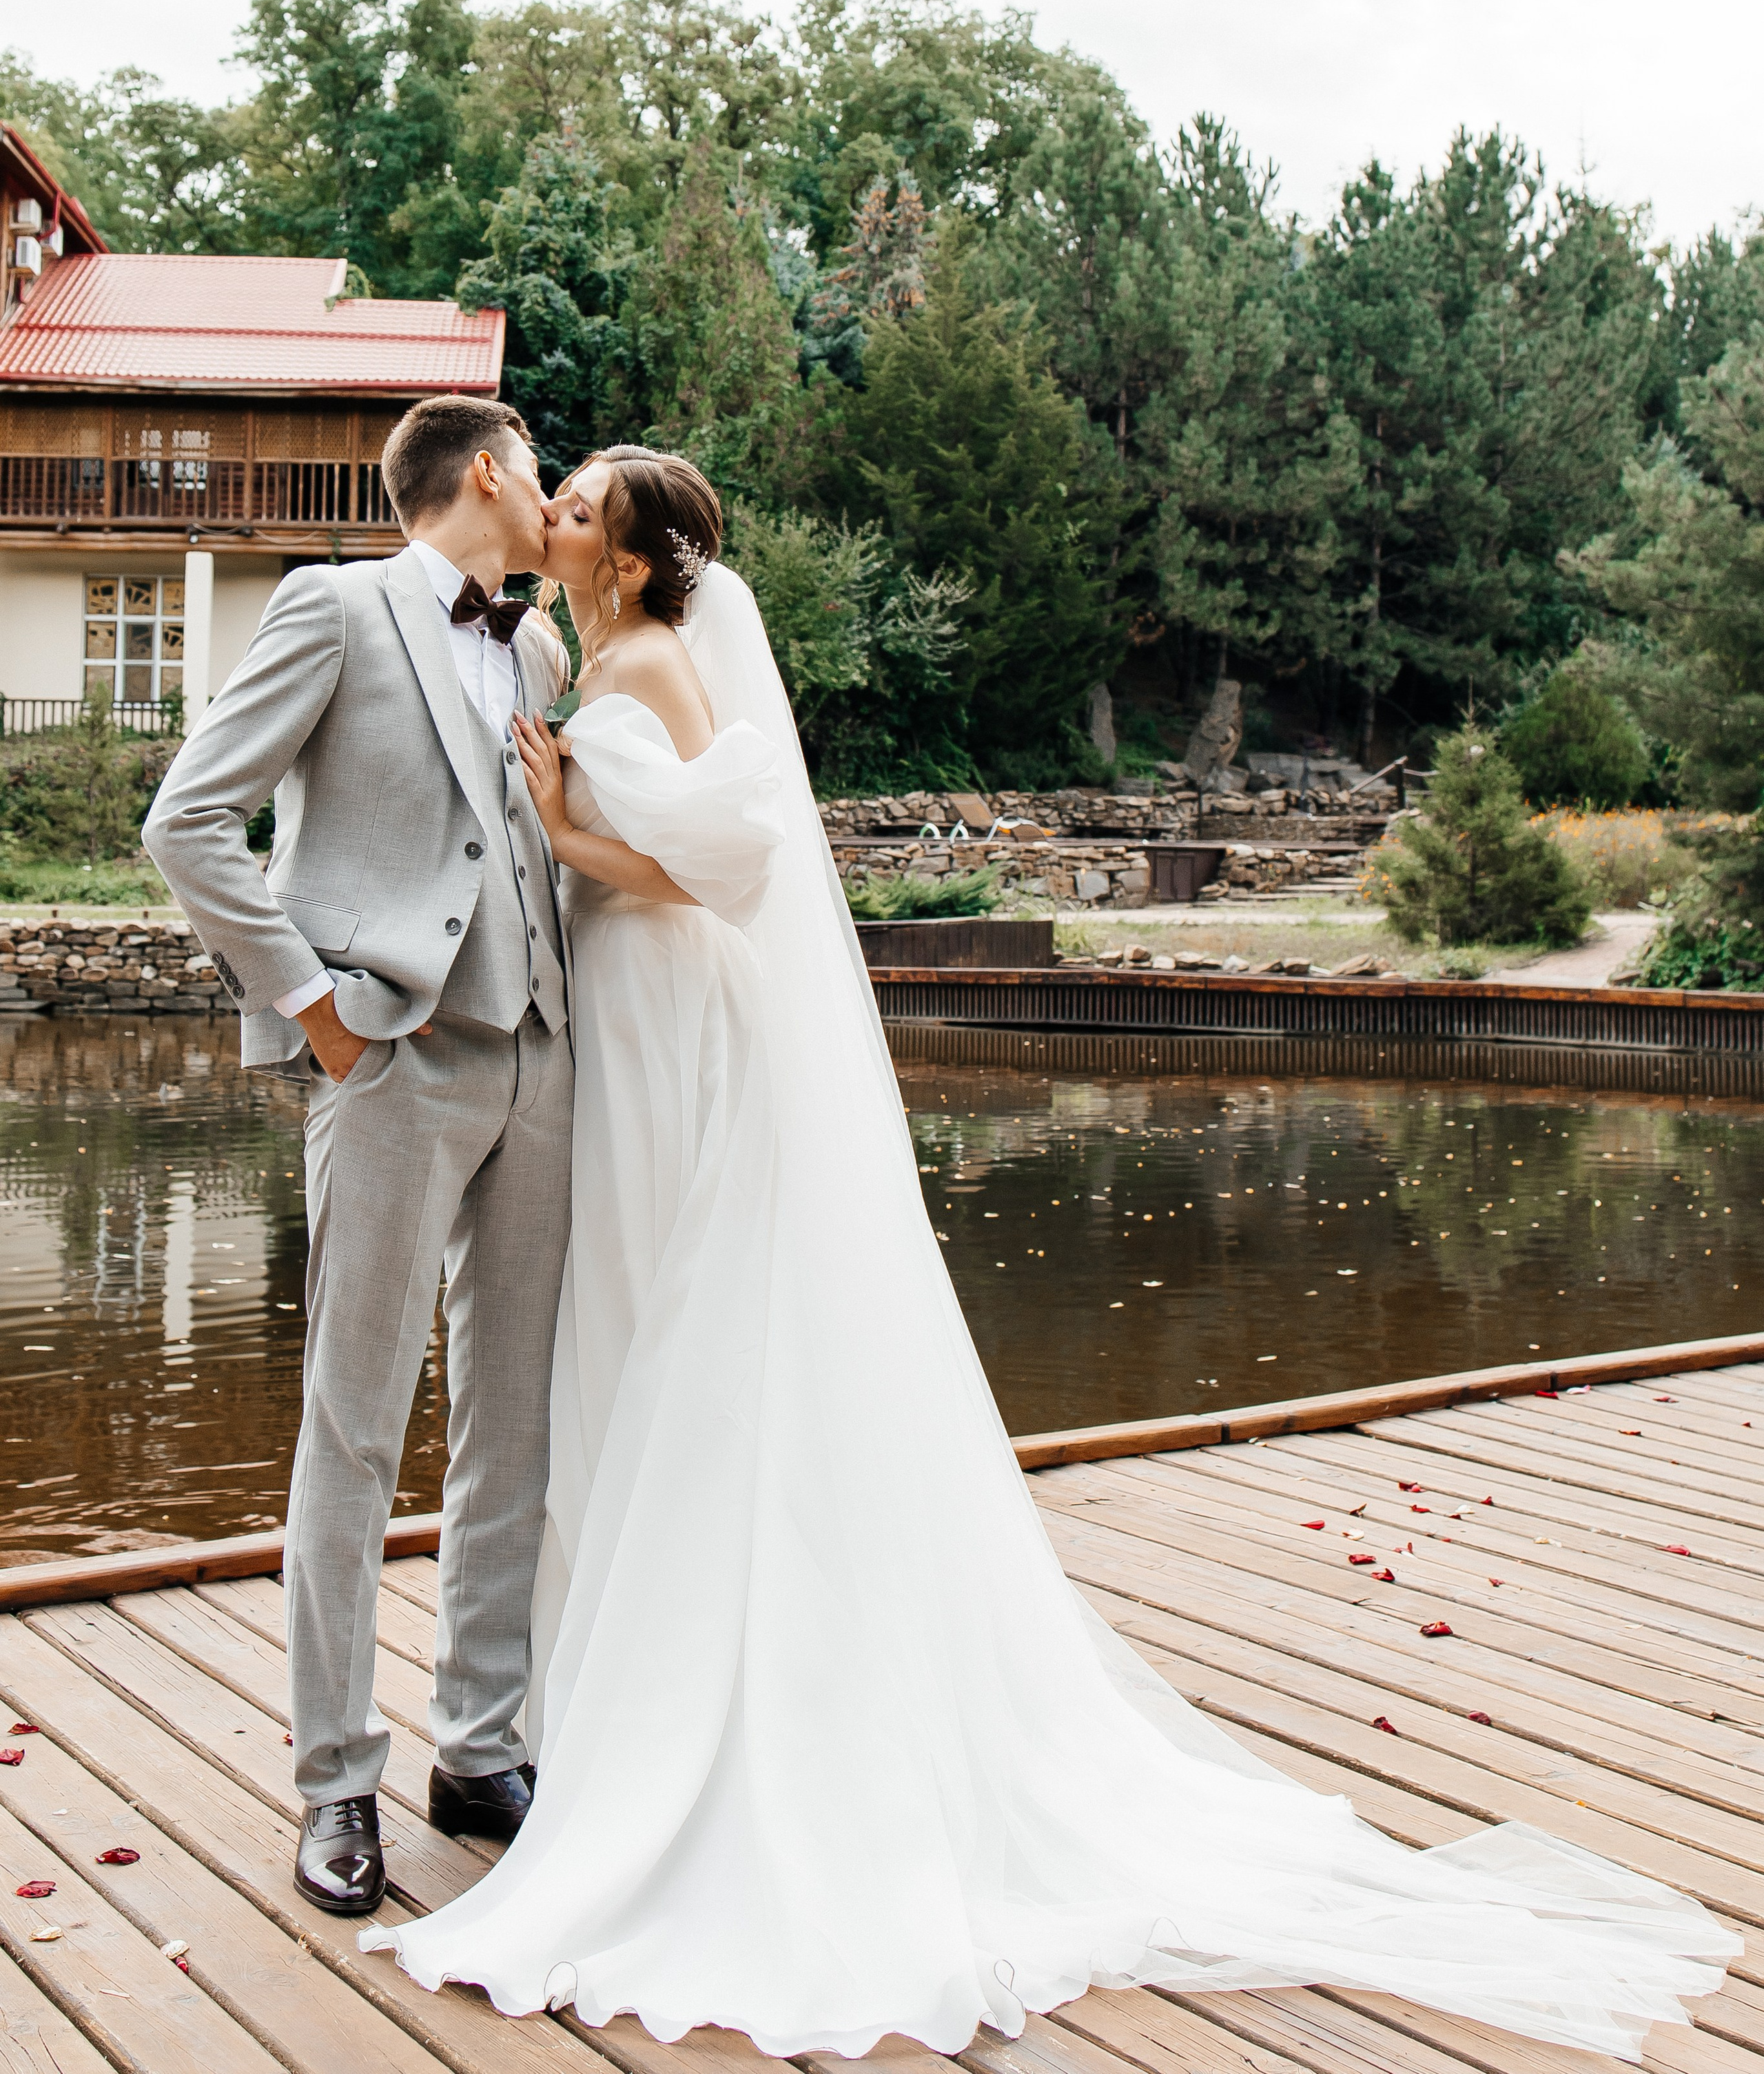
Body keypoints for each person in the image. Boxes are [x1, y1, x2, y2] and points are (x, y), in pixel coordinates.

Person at [366, 444, 1736, 2062]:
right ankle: (607, 1717)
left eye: (585, 498)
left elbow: (731, 869)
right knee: (633, 1341)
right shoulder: (575, 649)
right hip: (625, 1026)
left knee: (688, 1347)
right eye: (559, 489)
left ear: (636, 551)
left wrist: (566, 831)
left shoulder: (654, 659)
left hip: (672, 1016)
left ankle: (725, 1723)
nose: (563, 508)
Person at [143, 396, 577, 1920]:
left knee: (512, 1422)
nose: (551, 491)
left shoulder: (537, 647)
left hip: (541, 1064)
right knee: (352, 1426)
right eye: (539, 468)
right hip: (390, 1063)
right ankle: (336, 1781)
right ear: (483, 474)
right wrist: (318, 1014)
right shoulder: (333, 607)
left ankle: (479, 1747)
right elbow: (190, 819)